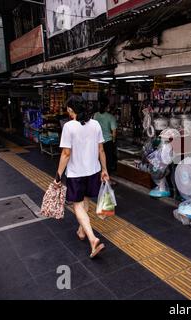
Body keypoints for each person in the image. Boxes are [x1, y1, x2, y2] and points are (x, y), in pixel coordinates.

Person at [56, 96, 108, 258]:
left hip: (77, 174)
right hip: (93, 171)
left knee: (77, 206)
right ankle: (81, 230)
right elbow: (101, 150)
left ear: (71, 110)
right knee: (85, 201)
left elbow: (66, 153)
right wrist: (104, 169)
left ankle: (93, 240)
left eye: (68, 110)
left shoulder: (69, 127)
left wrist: (58, 175)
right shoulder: (96, 124)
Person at [93, 95, 117, 184]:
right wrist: (113, 141)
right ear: (107, 106)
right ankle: (107, 178)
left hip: (97, 141)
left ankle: (99, 176)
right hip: (107, 142)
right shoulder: (110, 117)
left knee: (98, 159)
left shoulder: (95, 115)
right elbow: (114, 132)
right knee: (108, 160)